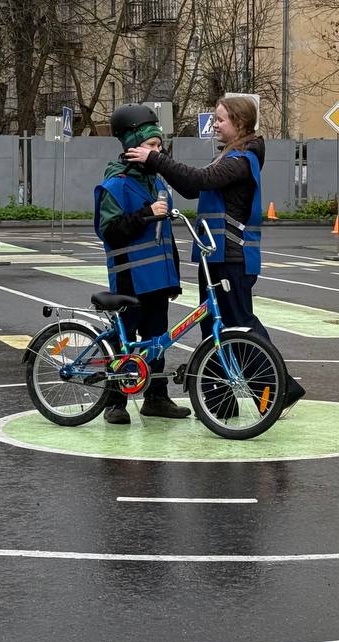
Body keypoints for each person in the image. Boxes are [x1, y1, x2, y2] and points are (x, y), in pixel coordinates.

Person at [125, 96, 305, 408]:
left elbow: (201, 179)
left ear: (240, 123)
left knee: (238, 324)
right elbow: (193, 188)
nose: (215, 125)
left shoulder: (242, 160)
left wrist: (155, 159)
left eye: (220, 119)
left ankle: (278, 388)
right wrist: (160, 157)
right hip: (215, 256)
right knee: (213, 327)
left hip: (232, 256)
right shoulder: (229, 155)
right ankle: (220, 401)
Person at [94, 104, 190, 423]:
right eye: (151, 145)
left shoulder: (158, 183)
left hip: (157, 280)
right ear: (132, 146)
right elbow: (110, 232)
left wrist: (172, 277)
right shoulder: (116, 185)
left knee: (157, 340)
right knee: (125, 340)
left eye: (160, 145)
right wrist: (145, 214)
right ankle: (115, 402)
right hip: (130, 278)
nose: (157, 150)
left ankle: (156, 398)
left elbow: (165, 237)